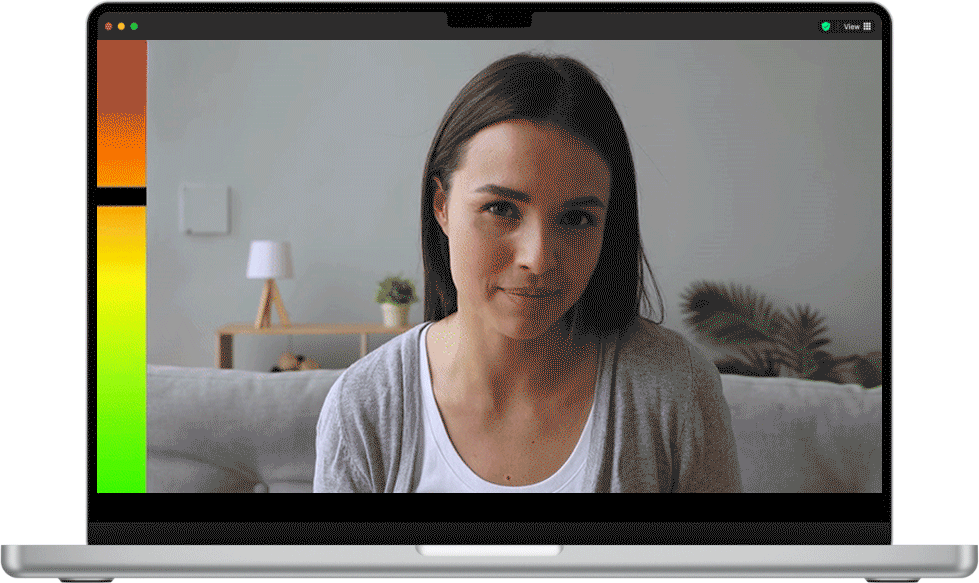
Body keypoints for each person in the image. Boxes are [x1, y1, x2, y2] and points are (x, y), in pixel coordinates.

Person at [314, 52, 742, 492]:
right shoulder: (363, 408)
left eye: (576, 219)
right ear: (441, 205)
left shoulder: (675, 387)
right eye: (500, 209)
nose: (538, 259)